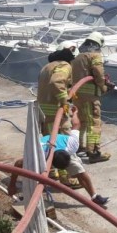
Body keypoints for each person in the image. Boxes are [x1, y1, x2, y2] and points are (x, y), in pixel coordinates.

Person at [8, 107, 110, 206]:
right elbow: (18, 164)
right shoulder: (39, 154)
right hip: (46, 150)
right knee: (35, 175)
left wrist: (75, 113)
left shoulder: (72, 145)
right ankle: (28, 196)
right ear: (52, 163)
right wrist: (12, 185)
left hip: (63, 148)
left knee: (80, 172)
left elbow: (76, 124)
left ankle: (94, 196)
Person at [37, 41, 80, 189]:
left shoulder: (47, 66)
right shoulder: (64, 65)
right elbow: (56, 81)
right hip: (56, 113)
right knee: (63, 144)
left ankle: (52, 172)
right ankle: (67, 178)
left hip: (44, 111)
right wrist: (65, 101)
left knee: (51, 144)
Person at [71, 31, 114, 163]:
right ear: (98, 44)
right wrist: (104, 87)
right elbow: (98, 73)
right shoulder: (95, 55)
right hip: (90, 97)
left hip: (77, 96)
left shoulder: (78, 57)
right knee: (94, 123)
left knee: (83, 122)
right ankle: (94, 152)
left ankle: (79, 147)